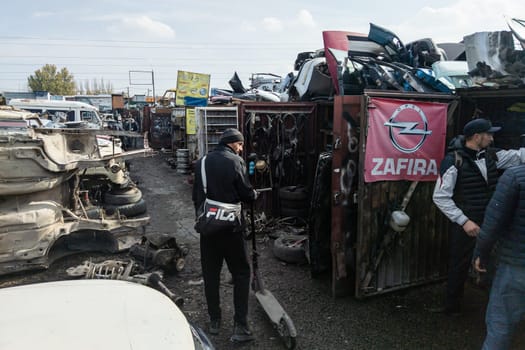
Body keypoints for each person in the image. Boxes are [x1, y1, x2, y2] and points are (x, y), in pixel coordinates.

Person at [432, 118, 525, 315]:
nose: (492, 138)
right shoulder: (453, 161)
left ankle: (495, 308)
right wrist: (464, 221)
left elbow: (518, 157)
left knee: (496, 262)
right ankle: (452, 308)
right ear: (477, 137)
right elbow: (440, 197)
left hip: (492, 221)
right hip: (467, 222)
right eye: (489, 134)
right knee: (459, 264)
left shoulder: (492, 155)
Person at [192, 128, 257, 342]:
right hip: (232, 230)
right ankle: (241, 327)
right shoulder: (236, 162)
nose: (241, 149)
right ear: (233, 143)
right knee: (241, 273)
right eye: (240, 145)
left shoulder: (201, 162)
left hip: (208, 229)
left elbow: (196, 196)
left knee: (211, 274)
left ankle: (214, 320)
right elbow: (246, 194)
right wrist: (253, 193)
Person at [473, 165, 525, 349]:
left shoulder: (515, 176)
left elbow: (493, 223)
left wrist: (481, 254)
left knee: (501, 324)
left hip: (516, 267)